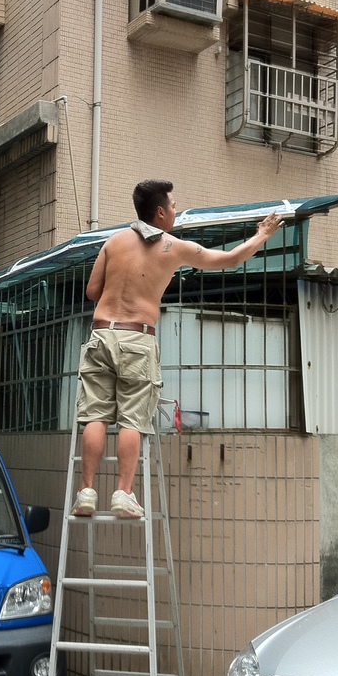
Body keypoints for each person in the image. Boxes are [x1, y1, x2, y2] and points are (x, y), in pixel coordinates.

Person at [72, 179, 282, 519]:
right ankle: (123, 493)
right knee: (131, 420)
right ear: (159, 212)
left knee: (95, 416)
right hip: (137, 339)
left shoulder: (114, 241)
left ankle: (86, 492)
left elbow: (93, 290)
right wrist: (262, 235)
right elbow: (228, 260)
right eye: (172, 206)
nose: (175, 211)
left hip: (101, 336)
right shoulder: (174, 247)